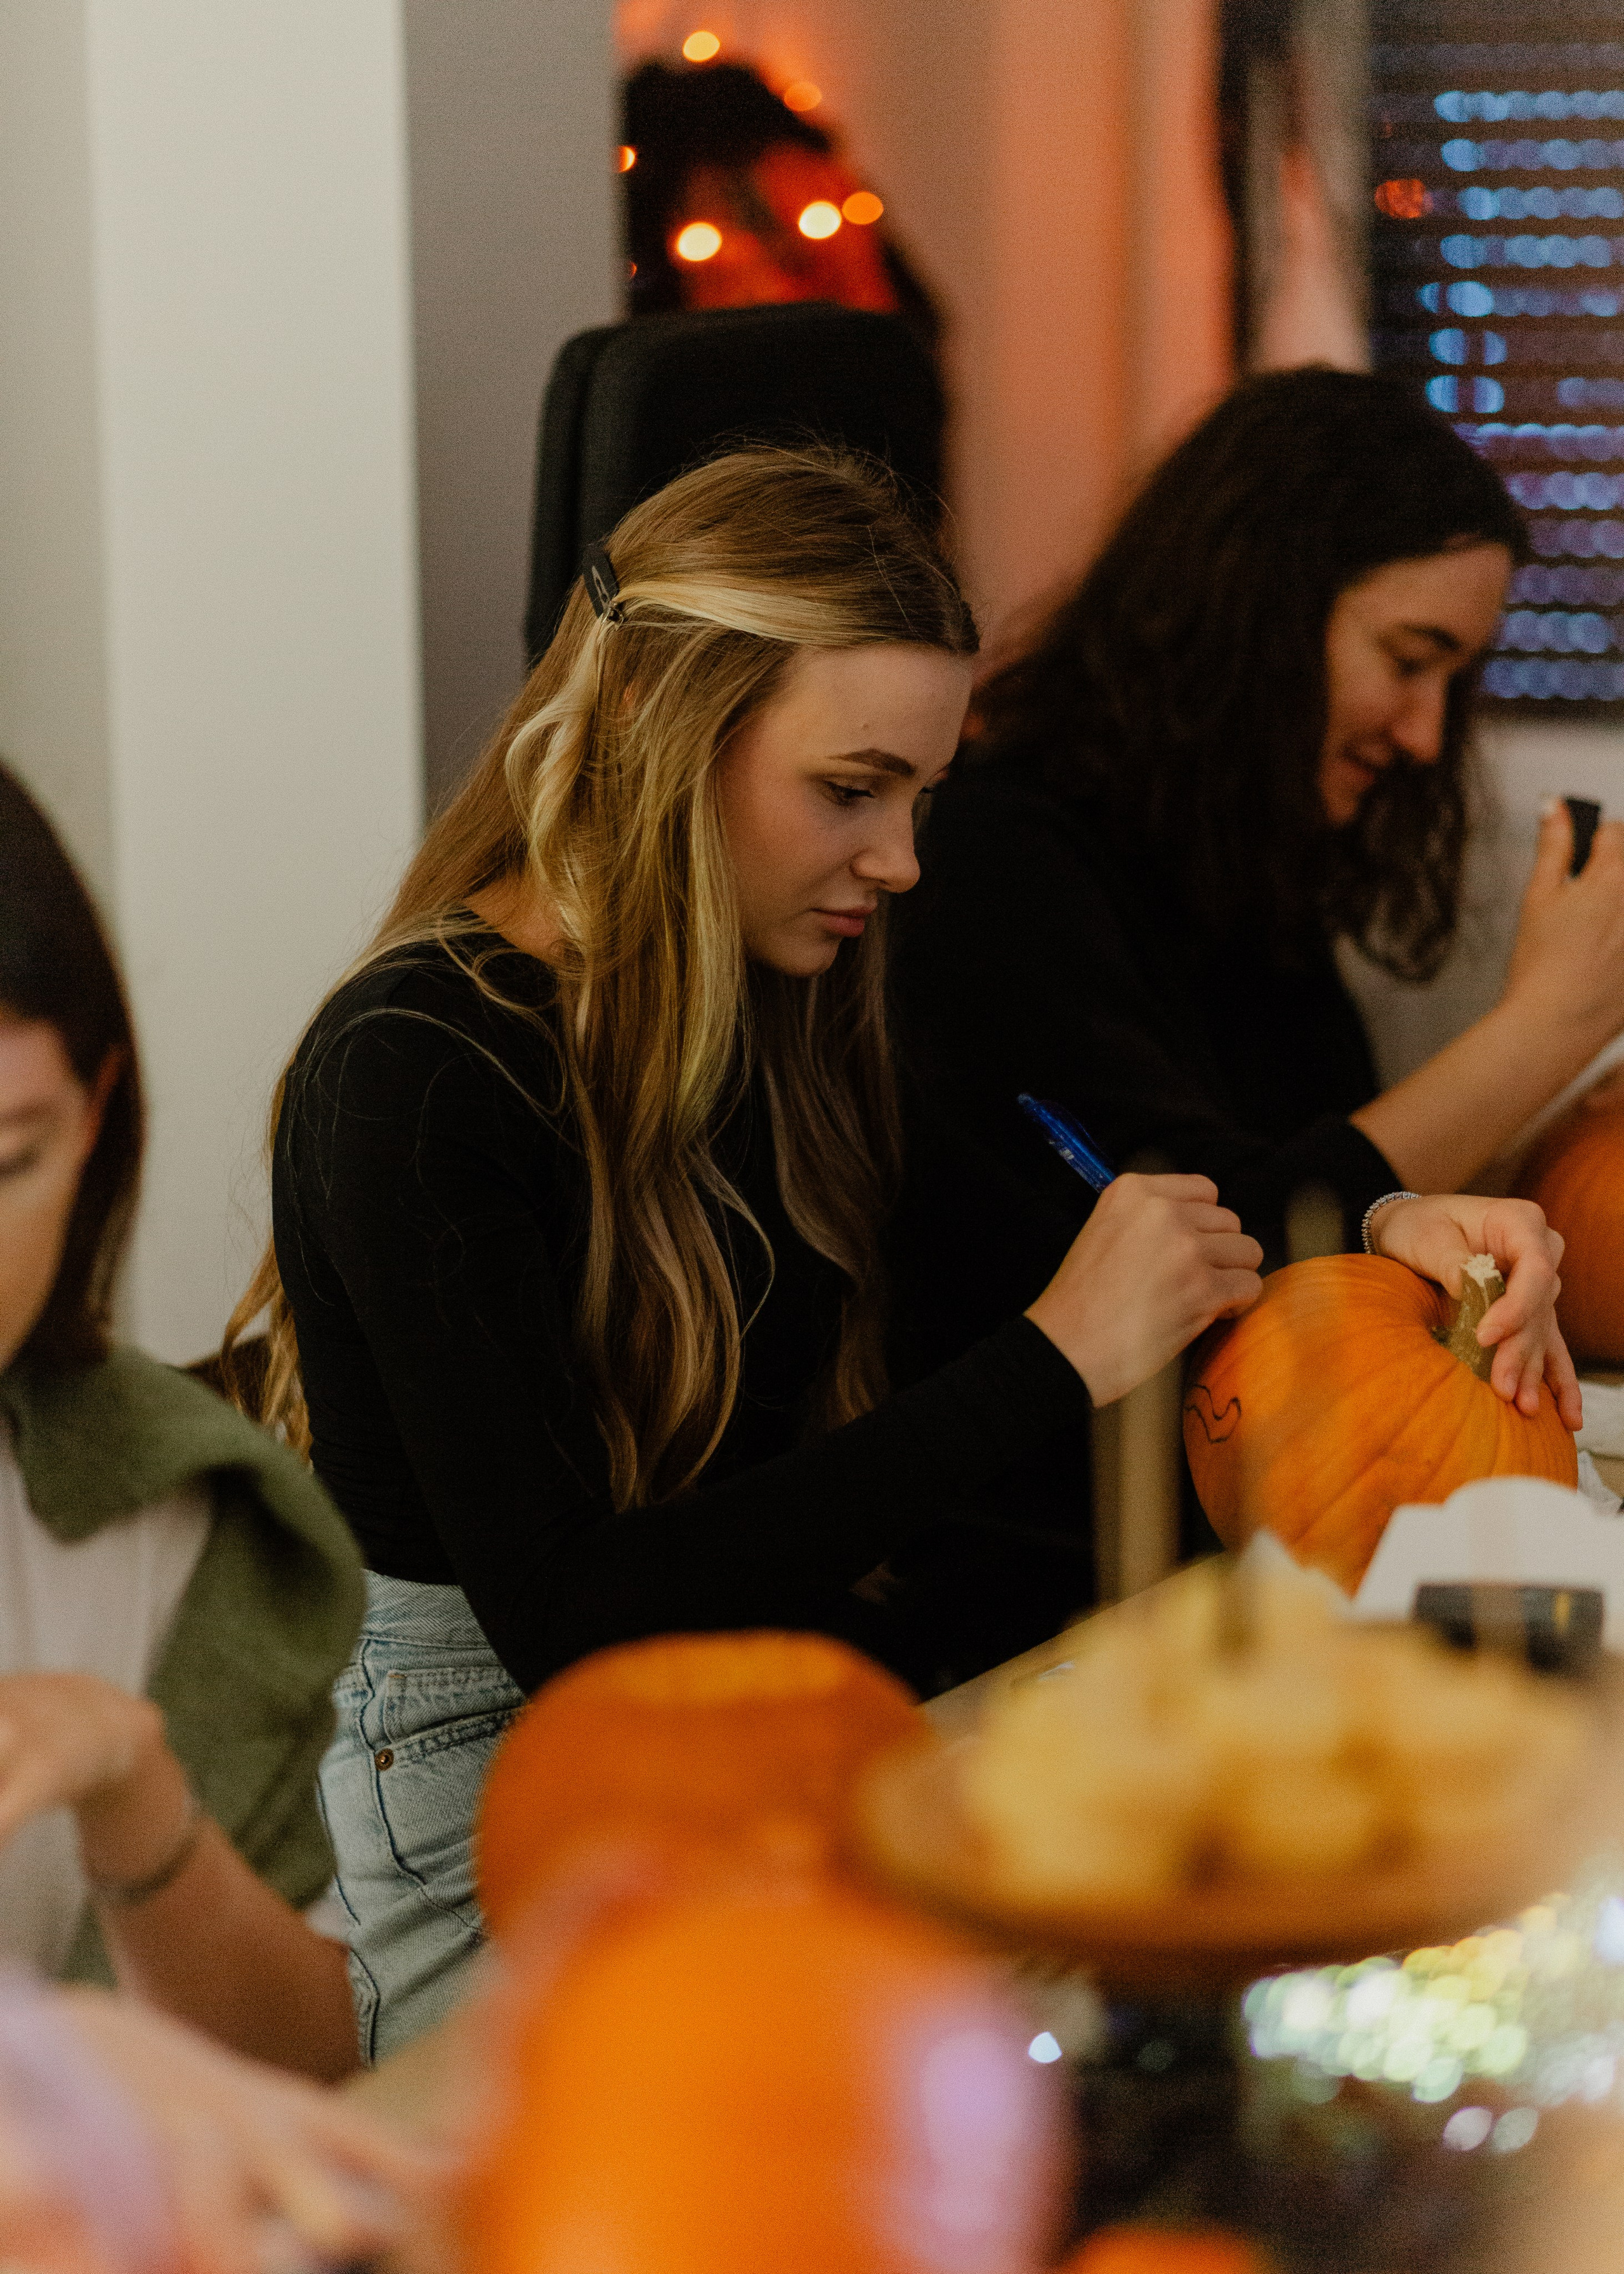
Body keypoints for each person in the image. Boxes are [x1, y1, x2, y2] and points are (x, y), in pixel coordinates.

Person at [232, 446, 1570, 2059]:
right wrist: (1054, 1356)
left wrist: (1374, 1237)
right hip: (502, 1805)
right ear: (670, 731)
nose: (903, 859)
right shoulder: (419, 1068)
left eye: (920, 798)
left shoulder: (790, 1000)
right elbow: (577, 1620)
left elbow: (1089, 1195)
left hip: (775, 1732)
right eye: (850, 789)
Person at [889, 367, 1624, 1391]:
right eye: (1409, 660)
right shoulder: (996, 865)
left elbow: (1361, 1207)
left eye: (1453, 683)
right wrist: (1546, 1027)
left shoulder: (1236, 872)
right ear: (1259, 609)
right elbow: (1257, 1239)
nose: (1426, 736)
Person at [0, 762, 363, 2080]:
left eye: (7, 1163)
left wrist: (133, 1790)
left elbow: (308, 2081)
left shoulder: (169, 1512)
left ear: (94, 1123)